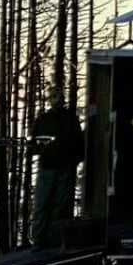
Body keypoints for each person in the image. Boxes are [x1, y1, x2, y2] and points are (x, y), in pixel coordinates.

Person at [30, 92, 84, 248]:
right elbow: (34, 143)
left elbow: (79, 142)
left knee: (61, 205)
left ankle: (55, 238)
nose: (58, 100)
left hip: (64, 166)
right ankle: (40, 239)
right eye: (55, 97)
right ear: (50, 100)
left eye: (60, 98)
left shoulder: (70, 119)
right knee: (43, 203)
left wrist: (74, 160)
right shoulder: (44, 119)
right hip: (48, 166)